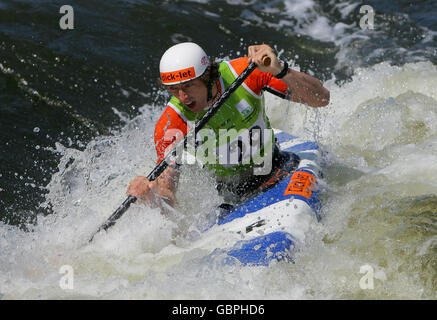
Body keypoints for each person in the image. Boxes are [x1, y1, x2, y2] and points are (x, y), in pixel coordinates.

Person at [127, 42, 330, 210]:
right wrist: (151, 197)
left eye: (188, 86)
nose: (183, 97)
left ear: (207, 76)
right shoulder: (172, 123)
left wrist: (279, 70)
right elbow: (168, 192)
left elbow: (322, 99)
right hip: (230, 195)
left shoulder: (245, 74)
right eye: (174, 89)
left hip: (278, 165)